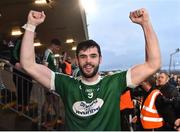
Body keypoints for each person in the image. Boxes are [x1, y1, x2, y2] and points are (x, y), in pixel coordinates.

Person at [20, 8, 161, 130]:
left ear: (100, 59)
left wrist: (146, 23)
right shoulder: (66, 84)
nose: (88, 61)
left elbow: (153, 64)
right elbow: (28, 65)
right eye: (83, 56)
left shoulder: (114, 82)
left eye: (93, 56)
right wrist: (31, 25)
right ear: (77, 59)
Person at [42, 38, 63, 128]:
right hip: (48, 81)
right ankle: (44, 120)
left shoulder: (51, 54)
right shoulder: (47, 52)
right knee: (49, 101)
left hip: (53, 81)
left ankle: (57, 117)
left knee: (54, 100)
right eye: (57, 47)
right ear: (53, 45)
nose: (58, 49)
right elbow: (44, 67)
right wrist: (46, 81)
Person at [10, 35, 33, 111]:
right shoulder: (19, 41)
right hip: (19, 70)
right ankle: (20, 104)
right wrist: (16, 62)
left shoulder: (29, 44)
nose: (34, 35)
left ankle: (26, 105)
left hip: (26, 71)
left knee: (29, 86)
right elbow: (14, 52)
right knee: (21, 88)